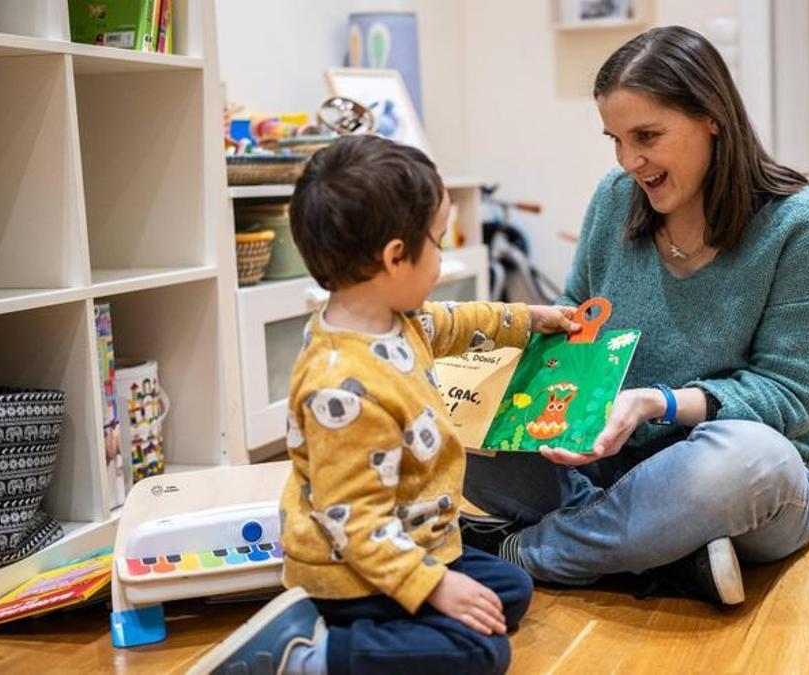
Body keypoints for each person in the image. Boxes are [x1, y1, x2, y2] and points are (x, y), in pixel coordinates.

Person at [461, 26, 809, 606]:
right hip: (608, 465)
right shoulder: (616, 197)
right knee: (452, 420)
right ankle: (660, 553)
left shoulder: (802, 226)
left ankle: (528, 551)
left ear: (712, 117)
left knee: (754, 459)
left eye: (647, 135)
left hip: (739, 483)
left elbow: (790, 398)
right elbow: (577, 325)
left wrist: (656, 402)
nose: (629, 161)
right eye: (615, 139)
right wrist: (511, 364)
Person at [192, 135, 578, 675]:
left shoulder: (396, 321)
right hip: (350, 569)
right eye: (439, 242)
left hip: (417, 538)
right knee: (484, 651)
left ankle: (389, 629)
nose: (443, 259)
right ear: (396, 257)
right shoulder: (341, 389)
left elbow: (455, 322)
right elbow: (355, 525)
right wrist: (435, 585)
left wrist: (527, 319)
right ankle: (311, 653)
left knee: (508, 592)